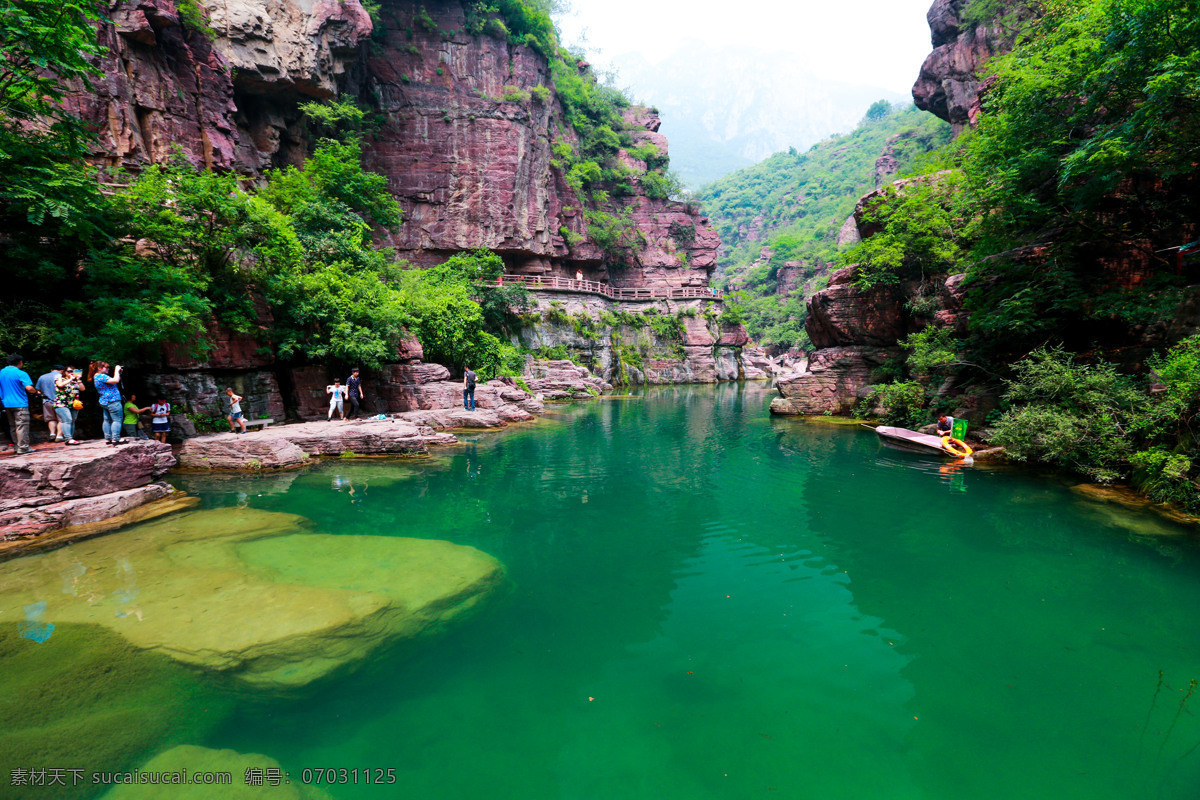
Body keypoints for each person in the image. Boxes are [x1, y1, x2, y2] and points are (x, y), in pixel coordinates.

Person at [1, 354, 37, 455]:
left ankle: (17, 447)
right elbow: (29, 388)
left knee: (13, 426)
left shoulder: (1, 373)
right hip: (20, 403)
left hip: (6, 403)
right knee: (22, 426)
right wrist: (35, 392)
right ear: (20, 362)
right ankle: (23, 448)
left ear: (8, 362)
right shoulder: (21, 373)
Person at [91, 361, 124, 446]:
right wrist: (116, 370)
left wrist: (118, 373)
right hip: (113, 400)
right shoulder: (102, 376)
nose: (108, 369)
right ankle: (115, 439)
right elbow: (115, 380)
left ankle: (108, 438)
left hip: (104, 401)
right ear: (99, 368)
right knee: (117, 420)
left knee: (107, 420)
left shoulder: (96, 376)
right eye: (106, 367)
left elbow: (113, 381)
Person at [55, 366, 84, 445]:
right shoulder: (59, 379)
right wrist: (70, 379)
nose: (71, 373)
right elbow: (60, 385)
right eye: (69, 371)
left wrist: (78, 379)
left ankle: (70, 438)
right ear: (64, 372)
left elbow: (82, 389)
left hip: (73, 404)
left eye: (73, 371)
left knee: (72, 421)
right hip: (61, 404)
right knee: (67, 420)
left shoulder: (75, 382)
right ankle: (68, 439)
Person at [35, 364, 62, 442]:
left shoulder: (42, 377)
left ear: (51, 369)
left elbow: (38, 391)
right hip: (59, 401)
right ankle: (59, 436)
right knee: (61, 420)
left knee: (51, 419)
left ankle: (52, 434)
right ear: (62, 370)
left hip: (46, 401)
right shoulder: (61, 377)